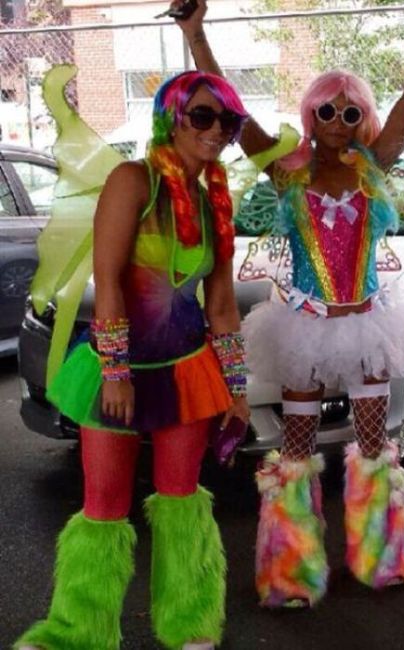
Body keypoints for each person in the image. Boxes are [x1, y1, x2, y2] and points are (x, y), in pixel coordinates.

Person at [176, 0, 404, 608]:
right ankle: (290, 571)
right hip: (304, 326)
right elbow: (236, 116)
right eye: (326, 110)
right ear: (310, 114)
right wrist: (197, 35)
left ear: (363, 119)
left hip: (366, 325)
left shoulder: (373, 167)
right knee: (297, 447)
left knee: (375, 446)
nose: (337, 120)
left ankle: (380, 559)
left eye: (350, 111)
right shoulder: (289, 173)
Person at [16, 70, 251, 650]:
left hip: (186, 369)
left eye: (228, 120)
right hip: (117, 369)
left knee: (182, 498)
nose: (216, 130)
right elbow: (109, 282)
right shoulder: (133, 180)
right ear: (172, 118)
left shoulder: (213, 201)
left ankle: (190, 621)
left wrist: (237, 387)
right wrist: (116, 372)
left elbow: (222, 305)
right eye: (202, 116)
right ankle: (77, 631)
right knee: (103, 505)